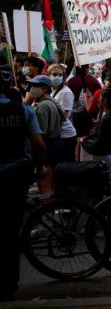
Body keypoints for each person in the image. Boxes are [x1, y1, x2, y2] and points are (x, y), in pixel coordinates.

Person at [0, 65, 46, 301]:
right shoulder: (24, 111)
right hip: (17, 174)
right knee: (11, 230)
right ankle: (9, 282)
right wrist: (39, 168)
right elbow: (38, 145)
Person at [28, 75, 64, 196]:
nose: (31, 88)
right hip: (55, 143)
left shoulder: (43, 105)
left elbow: (41, 132)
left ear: (44, 88)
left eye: (35, 86)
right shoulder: (50, 102)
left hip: (48, 145)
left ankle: (48, 208)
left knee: (45, 184)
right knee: (50, 180)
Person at [47, 64, 78, 161]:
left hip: (66, 136)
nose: (57, 77)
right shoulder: (52, 90)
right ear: (48, 75)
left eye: (60, 75)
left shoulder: (66, 92)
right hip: (57, 134)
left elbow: (63, 116)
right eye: (54, 74)